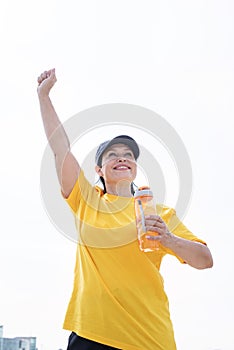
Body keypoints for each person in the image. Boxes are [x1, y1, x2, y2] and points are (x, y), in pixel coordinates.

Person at [37, 68, 213, 350]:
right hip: (91, 336)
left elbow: (204, 259)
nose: (123, 159)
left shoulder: (158, 213)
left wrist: (168, 239)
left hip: (148, 338)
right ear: (100, 169)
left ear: (134, 168)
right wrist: (43, 96)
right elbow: (59, 148)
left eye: (129, 156)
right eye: (113, 155)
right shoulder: (86, 199)